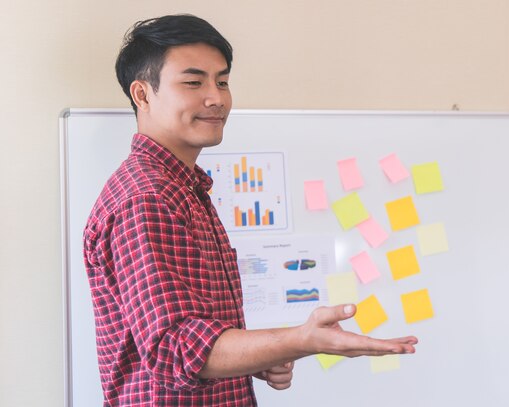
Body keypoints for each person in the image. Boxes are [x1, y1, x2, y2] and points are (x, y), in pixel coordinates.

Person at [83, 14, 417, 406]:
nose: (216, 97)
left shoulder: (184, 188)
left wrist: (261, 355)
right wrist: (299, 339)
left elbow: (196, 336)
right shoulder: (148, 197)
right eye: (194, 82)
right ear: (142, 95)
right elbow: (176, 347)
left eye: (222, 81)